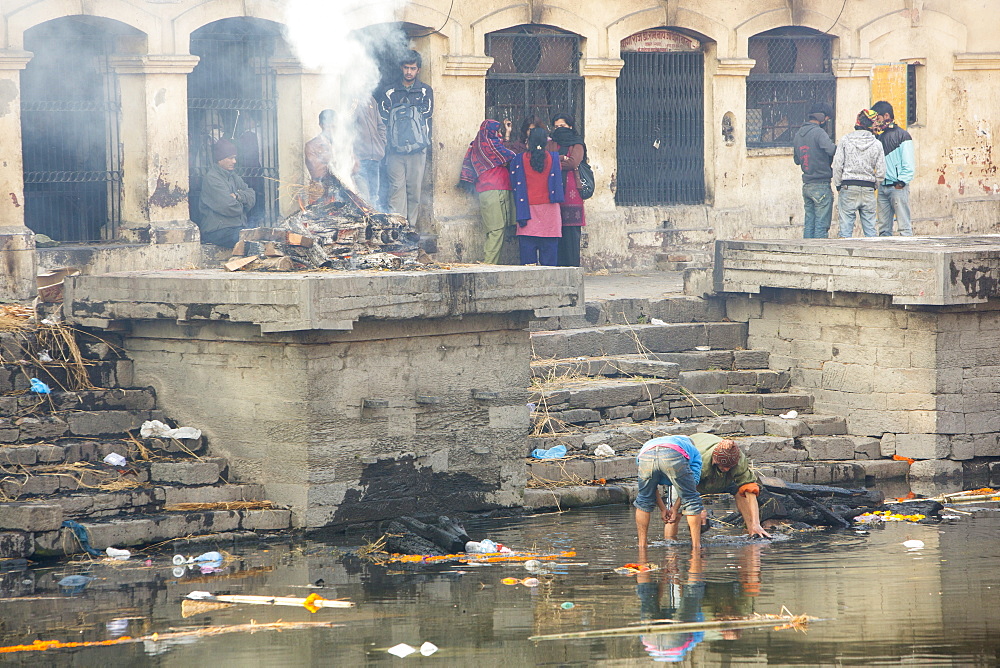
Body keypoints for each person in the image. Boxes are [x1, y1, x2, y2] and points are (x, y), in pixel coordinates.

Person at [380, 50, 433, 224]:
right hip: (395, 150)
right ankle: (398, 227)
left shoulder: (425, 90)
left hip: (417, 149)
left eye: (413, 68)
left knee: (414, 190)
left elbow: (427, 112)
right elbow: (383, 118)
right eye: (406, 68)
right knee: (396, 189)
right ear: (401, 68)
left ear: (418, 70)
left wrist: (401, 110)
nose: (409, 72)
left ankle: (411, 228)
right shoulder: (389, 91)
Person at [688, 433, 772, 539]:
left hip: (722, 481)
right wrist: (701, 509)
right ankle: (672, 544)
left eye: (730, 467)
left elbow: (750, 491)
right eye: (724, 467)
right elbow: (688, 490)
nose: (727, 469)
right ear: (715, 461)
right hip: (692, 481)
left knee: (740, 492)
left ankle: (753, 531)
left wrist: (756, 523)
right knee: (677, 516)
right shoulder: (700, 463)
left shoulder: (738, 460)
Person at [634, 434, 708, 551]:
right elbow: (690, 487)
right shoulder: (693, 451)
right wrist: (675, 508)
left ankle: (642, 547)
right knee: (692, 500)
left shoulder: (650, 443)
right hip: (673, 454)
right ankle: (696, 548)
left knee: (643, 500)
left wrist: (664, 508)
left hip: (646, 454)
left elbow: (651, 489)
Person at [460, 120, 517, 264]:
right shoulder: (488, 146)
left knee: (499, 229)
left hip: (498, 189)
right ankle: (489, 264)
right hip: (493, 190)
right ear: (490, 132)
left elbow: (503, 153)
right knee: (496, 230)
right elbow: (510, 155)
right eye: (497, 131)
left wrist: (507, 134)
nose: (499, 134)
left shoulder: (482, 145)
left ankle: (490, 262)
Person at [832, 109, 886, 238]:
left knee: (845, 230)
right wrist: (874, 185)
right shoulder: (877, 144)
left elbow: (837, 165)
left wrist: (838, 185)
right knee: (871, 230)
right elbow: (881, 171)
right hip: (868, 188)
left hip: (848, 187)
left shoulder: (845, 140)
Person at [197, 138, 256, 247]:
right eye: (230, 158)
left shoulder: (234, 176)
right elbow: (229, 208)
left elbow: (252, 196)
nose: (234, 161)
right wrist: (243, 205)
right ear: (220, 159)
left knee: (258, 237)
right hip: (218, 231)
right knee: (250, 242)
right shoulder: (212, 178)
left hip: (236, 227)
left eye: (235, 158)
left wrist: (238, 197)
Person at [547, 113, 587, 267]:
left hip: (572, 193)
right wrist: (561, 159)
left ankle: (572, 268)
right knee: (556, 231)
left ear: (570, 126)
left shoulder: (577, 144)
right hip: (553, 191)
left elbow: (572, 163)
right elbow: (546, 160)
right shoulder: (551, 143)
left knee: (571, 233)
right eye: (556, 126)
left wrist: (556, 160)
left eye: (562, 126)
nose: (559, 129)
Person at [792, 103, 836, 239]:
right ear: (822, 117)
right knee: (821, 226)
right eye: (827, 119)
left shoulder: (798, 134)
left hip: (807, 185)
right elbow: (832, 150)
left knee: (809, 225)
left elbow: (797, 160)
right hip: (821, 184)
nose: (826, 122)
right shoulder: (819, 132)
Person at [872, 100, 915, 237]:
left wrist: (901, 182)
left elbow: (908, 163)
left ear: (886, 116)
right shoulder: (878, 136)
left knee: (904, 226)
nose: (876, 123)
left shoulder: (902, 135)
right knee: (884, 228)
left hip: (897, 187)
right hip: (883, 186)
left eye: (877, 118)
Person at [353, 94, 387, 209]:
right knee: (363, 197)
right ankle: (365, 223)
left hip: (375, 157)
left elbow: (380, 125)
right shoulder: (352, 100)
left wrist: (381, 144)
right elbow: (347, 125)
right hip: (360, 158)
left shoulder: (372, 100)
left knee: (374, 195)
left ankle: (373, 224)